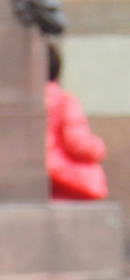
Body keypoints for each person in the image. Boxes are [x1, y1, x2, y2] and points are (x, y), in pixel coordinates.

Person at [45, 42, 108, 201]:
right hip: (64, 186)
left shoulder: (20, 103)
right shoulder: (64, 101)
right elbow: (78, 144)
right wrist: (98, 147)